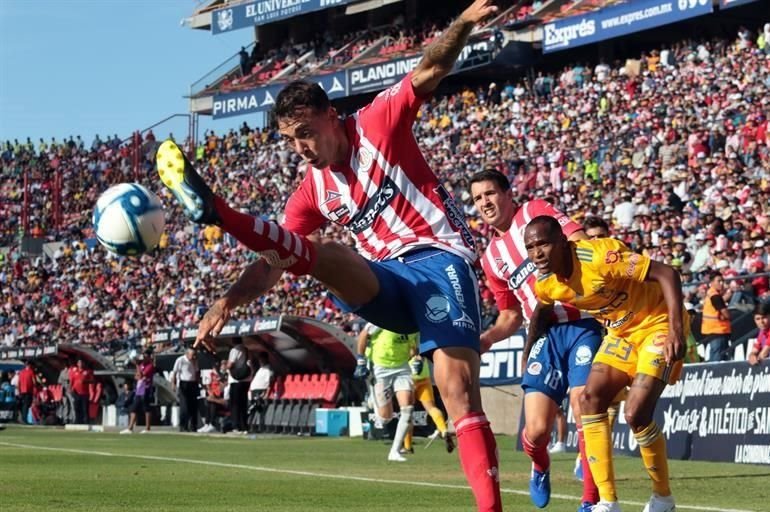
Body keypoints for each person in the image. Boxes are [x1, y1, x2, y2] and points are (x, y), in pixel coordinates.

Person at [157, 2, 501, 508]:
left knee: (455, 387)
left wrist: (465, 21)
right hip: (384, 281)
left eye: (305, 133)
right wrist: (227, 302)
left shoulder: (379, 122)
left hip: (439, 261)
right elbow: (276, 257)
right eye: (290, 140)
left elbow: (430, 68)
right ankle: (221, 214)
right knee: (321, 253)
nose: (300, 147)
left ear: (330, 117)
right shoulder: (312, 192)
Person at [524, 215, 689, 512]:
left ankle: (663, 498)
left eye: (544, 244)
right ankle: (608, 502)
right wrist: (529, 350)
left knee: (636, 413)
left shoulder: (600, 256)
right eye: (531, 247)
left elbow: (667, 273)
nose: (537, 253)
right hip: (621, 334)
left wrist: (677, 329)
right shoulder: (547, 283)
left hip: (657, 324)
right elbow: (541, 313)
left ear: (563, 242)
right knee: (589, 400)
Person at [470, 170, 601, 511]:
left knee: (584, 407)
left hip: (582, 324)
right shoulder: (491, 259)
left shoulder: (534, 212)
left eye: (489, 194)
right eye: (477, 198)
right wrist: (487, 339)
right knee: (537, 431)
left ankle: (590, 500)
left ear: (508, 194)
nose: (484, 202)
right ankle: (540, 465)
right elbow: (511, 315)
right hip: (543, 336)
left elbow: (580, 238)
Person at [356, 324, 416, 462]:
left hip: (402, 368)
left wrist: (416, 358)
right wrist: (361, 361)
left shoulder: (414, 323)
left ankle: (394, 451)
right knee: (385, 418)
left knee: (408, 409)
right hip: (380, 367)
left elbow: (412, 346)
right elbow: (363, 335)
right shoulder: (383, 318)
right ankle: (372, 396)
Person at [403, 353, 455, 454]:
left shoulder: (408, 340)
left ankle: (407, 446)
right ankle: (443, 430)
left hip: (409, 377)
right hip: (424, 377)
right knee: (431, 408)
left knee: (407, 412)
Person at [121, 350, 155, 434]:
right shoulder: (141, 365)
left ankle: (147, 428)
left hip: (146, 388)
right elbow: (137, 376)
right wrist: (138, 370)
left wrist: (137, 365)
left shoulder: (150, 366)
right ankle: (130, 427)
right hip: (139, 389)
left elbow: (141, 375)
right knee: (134, 408)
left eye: (145, 356)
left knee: (146, 408)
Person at [701, 272, 732, 362]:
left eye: (722, 281)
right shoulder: (715, 296)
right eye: (719, 281)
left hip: (712, 330)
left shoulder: (710, 293)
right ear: (712, 282)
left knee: (715, 354)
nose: (721, 283)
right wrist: (727, 316)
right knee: (718, 356)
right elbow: (726, 314)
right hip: (718, 330)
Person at [171, 348, 200, 432]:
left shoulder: (195, 361)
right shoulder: (180, 360)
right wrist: (174, 384)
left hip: (193, 383)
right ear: (187, 354)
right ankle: (183, 425)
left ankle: (193, 426)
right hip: (184, 383)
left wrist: (198, 382)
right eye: (192, 355)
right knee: (185, 406)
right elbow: (175, 372)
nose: (193, 357)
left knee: (193, 406)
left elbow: (197, 371)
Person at [227, 339, 251, 434]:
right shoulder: (246, 349)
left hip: (236, 379)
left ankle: (236, 426)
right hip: (245, 379)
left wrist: (226, 366)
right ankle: (244, 426)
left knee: (235, 404)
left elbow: (230, 364)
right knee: (243, 404)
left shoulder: (235, 350)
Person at [69, 359, 92, 424]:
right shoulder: (74, 372)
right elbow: (71, 381)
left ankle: (86, 422)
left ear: (83, 364)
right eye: (79, 363)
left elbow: (92, 380)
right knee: (76, 408)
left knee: (85, 408)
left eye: (82, 363)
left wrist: (85, 381)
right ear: (77, 364)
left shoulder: (87, 372)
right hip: (76, 393)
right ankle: (77, 421)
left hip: (85, 393)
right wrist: (71, 390)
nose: (80, 364)